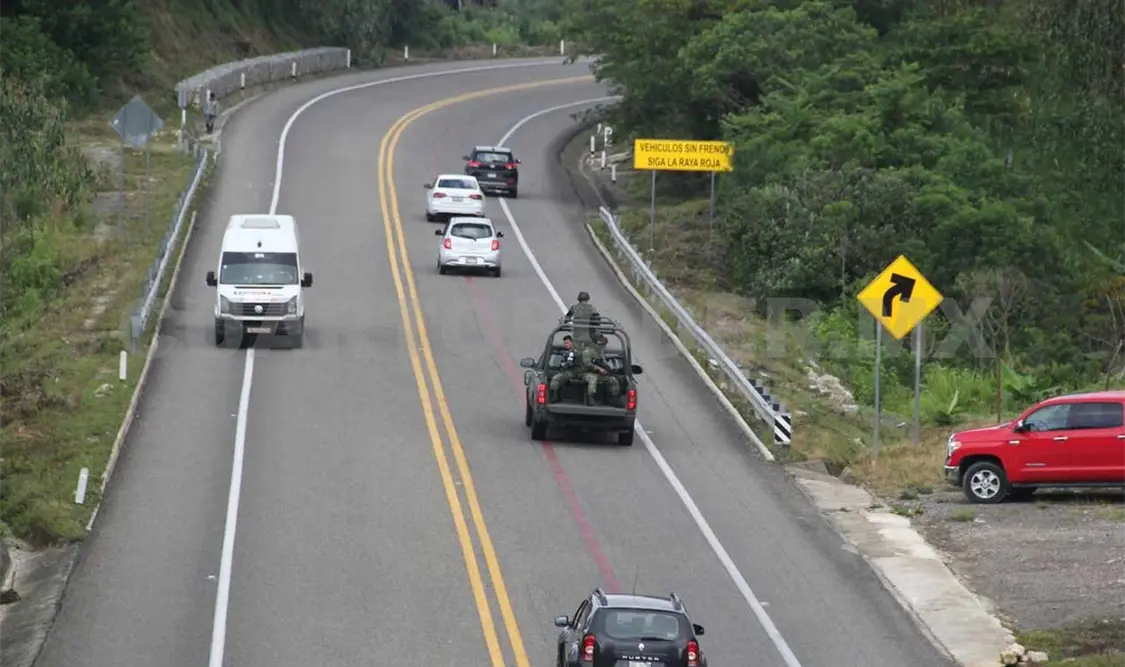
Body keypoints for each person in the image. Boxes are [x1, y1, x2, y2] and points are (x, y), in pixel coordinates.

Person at [548, 335, 579, 401]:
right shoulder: (570, 351)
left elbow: (569, 363)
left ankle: (554, 397)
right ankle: (558, 396)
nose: (566, 344)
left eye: (567, 343)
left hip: (571, 372)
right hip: (571, 372)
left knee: (555, 379)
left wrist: (563, 365)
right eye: (565, 343)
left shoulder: (572, 352)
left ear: (572, 343)